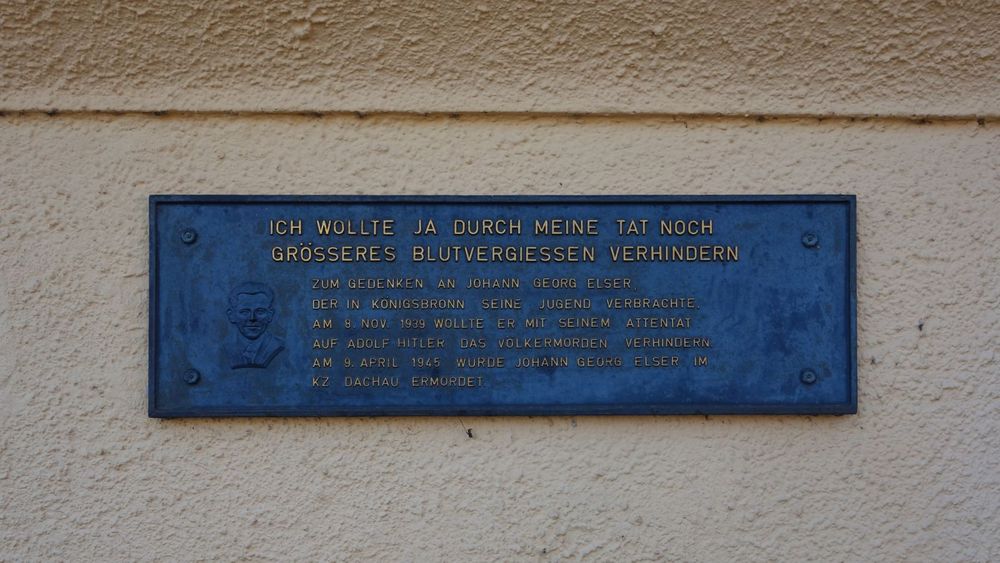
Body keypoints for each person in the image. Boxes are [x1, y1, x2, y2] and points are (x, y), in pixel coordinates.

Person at [226, 282, 285, 369]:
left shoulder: (278, 345)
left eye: (260, 311)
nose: (252, 318)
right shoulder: (223, 346)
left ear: (270, 315)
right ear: (231, 316)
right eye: (244, 312)